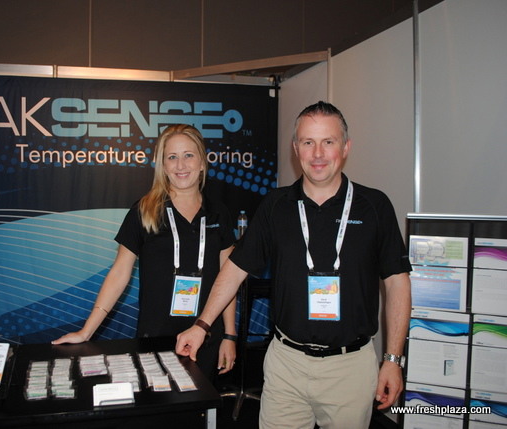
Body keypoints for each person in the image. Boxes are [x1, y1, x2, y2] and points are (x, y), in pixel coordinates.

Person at [176, 101, 412, 428]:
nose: (318, 153)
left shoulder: (374, 206)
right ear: (295, 148)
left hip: (349, 368)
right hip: (286, 364)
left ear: (345, 147)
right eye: (308, 142)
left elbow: (397, 282)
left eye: (328, 142)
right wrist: (201, 325)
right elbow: (235, 268)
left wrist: (393, 360)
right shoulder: (276, 205)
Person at [53, 124, 237, 379]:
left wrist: (229, 335)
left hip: (206, 334)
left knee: (202, 403)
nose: (181, 165)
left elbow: (228, 278)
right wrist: (87, 331)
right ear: (163, 166)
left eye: (188, 155)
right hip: (156, 337)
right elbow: (119, 274)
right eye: (172, 157)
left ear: (202, 162)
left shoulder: (219, 213)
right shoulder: (144, 211)